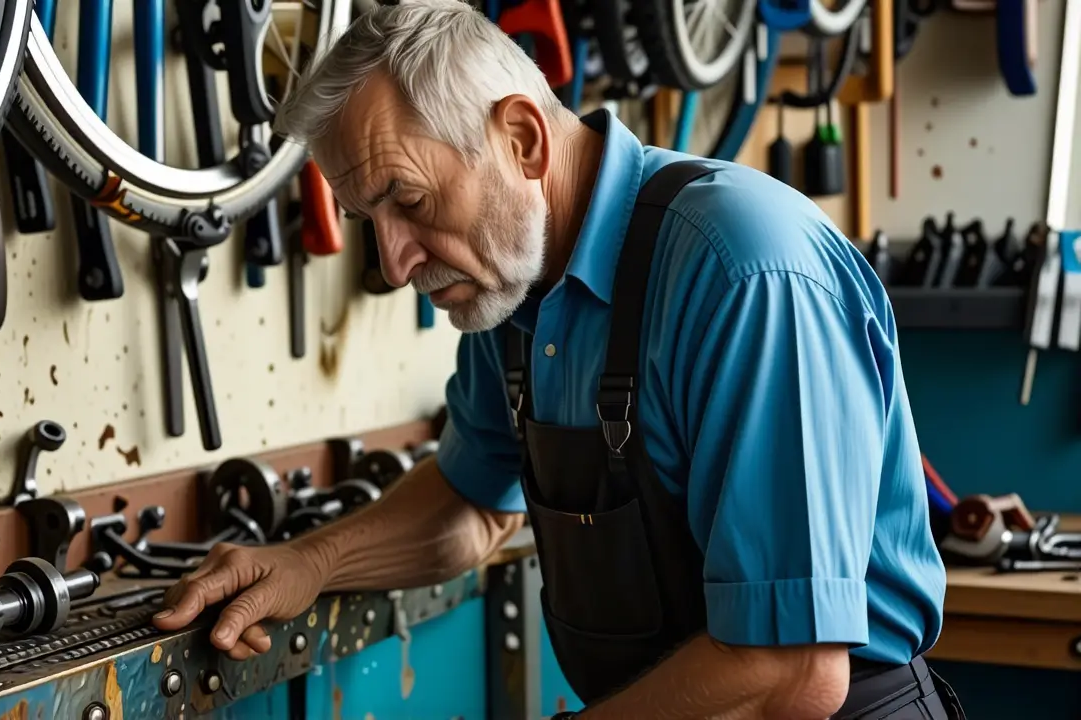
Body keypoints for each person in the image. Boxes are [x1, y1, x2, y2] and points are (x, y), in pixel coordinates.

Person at [153, 1, 962, 717]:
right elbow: (472, 507)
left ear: (522, 139)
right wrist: (309, 562)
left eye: (410, 201)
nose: (395, 264)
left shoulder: (743, 271)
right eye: (370, 219)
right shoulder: (514, 283)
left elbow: (790, 673)